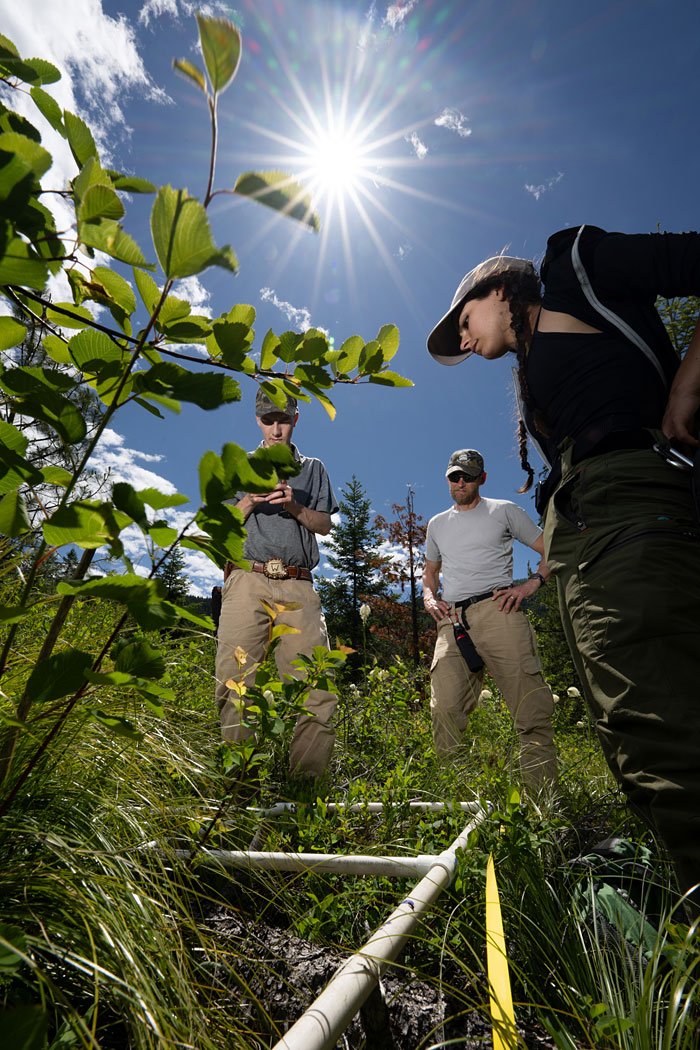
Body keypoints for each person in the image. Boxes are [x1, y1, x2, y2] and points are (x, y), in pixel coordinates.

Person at [427, 223, 700, 911]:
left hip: (635, 503)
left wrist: (686, 386)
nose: (464, 341)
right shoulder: (533, 382)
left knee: (654, 721)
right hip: (587, 526)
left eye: (464, 322)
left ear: (497, 290)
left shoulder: (577, 264)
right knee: (623, 722)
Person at [214, 388, 339, 779]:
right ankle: (238, 792)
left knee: (315, 687)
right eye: (268, 419)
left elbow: (325, 525)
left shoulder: (313, 468)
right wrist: (248, 500)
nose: (276, 427)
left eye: (283, 419)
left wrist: (293, 506)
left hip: (299, 584)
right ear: (257, 421)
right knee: (235, 684)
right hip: (247, 579)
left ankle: (305, 791)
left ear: (296, 419)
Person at [423, 447, 558, 788]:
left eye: (468, 476)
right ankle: (454, 801)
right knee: (444, 710)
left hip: (500, 611)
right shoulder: (437, 525)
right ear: (448, 479)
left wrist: (530, 585)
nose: (461, 482)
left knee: (530, 710)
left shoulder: (504, 511)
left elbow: (550, 551)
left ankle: (541, 805)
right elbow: (431, 572)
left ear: (482, 479)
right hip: (452, 621)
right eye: (455, 476)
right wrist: (428, 596)